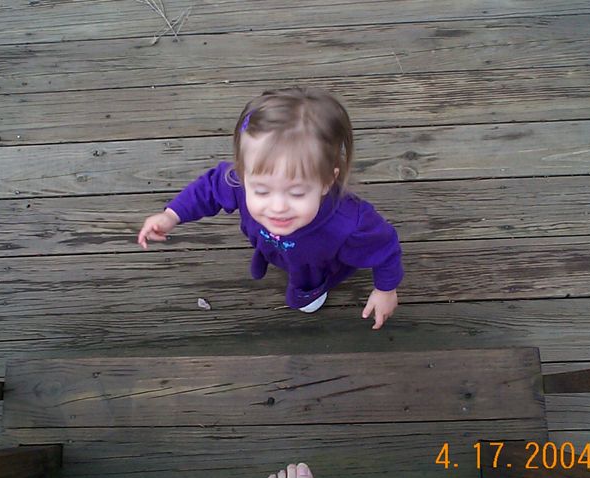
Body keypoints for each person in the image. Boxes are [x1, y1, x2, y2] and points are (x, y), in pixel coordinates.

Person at [138, 87, 403, 329]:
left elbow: (385, 248)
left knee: (309, 298)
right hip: (275, 247)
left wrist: (385, 290)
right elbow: (208, 187)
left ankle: (310, 292)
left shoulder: (350, 223)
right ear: (244, 175)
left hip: (317, 266)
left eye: (297, 192)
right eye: (261, 191)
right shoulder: (239, 181)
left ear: (326, 182)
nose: (277, 207)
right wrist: (172, 215)